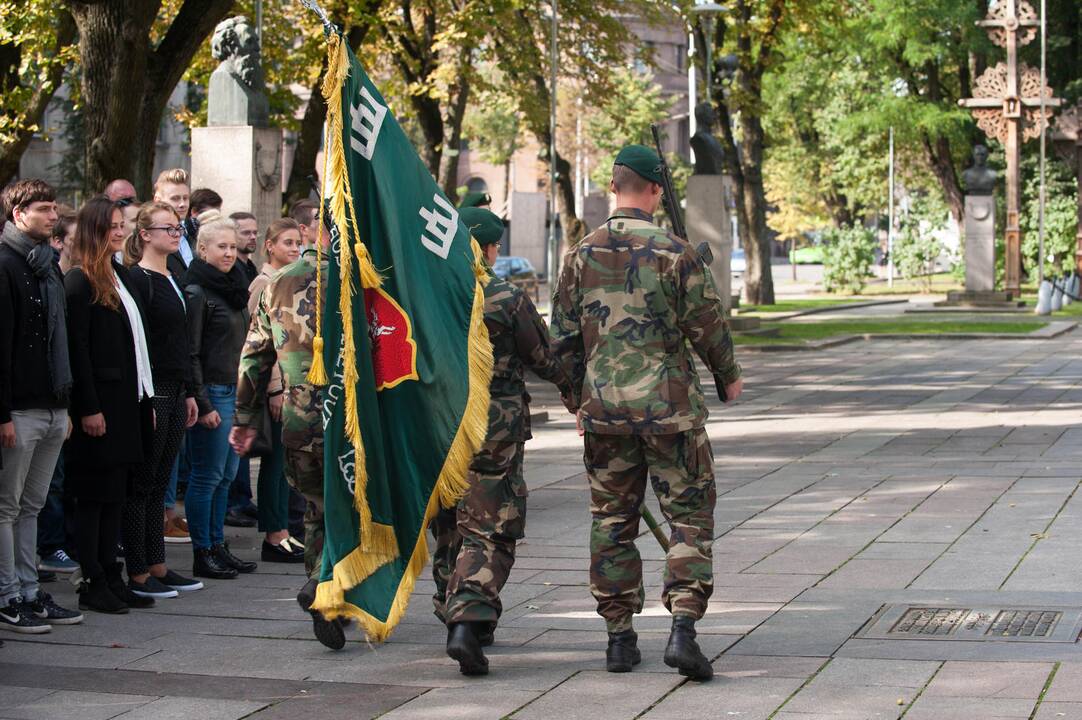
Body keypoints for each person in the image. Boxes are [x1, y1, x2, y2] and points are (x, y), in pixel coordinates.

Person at [551, 145, 744, 681]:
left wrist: (577, 400)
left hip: (605, 413)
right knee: (688, 517)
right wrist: (728, 377)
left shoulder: (579, 254)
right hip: (670, 412)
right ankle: (683, 628)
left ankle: (619, 639)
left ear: (615, 186)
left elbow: (561, 341)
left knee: (612, 521)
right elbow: (706, 322)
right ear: (656, 189)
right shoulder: (676, 252)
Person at [433, 207, 577, 676]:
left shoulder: (424, 290)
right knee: (492, 524)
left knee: (450, 518)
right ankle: (468, 617)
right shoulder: (504, 295)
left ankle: (448, 601)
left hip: (438, 424)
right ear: (491, 248)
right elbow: (544, 356)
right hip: (493, 427)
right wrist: (576, 392)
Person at [229, 245, 337, 647]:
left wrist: (244, 418)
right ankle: (325, 585)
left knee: (316, 508)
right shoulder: (363, 277)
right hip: (353, 420)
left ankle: (322, 587)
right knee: (356, 508)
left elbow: (254, 356)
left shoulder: (277, 282)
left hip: (299, 417)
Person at [66, 196, 156, 614]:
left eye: (123, 225)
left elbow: (136, 343)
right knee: (95, 496)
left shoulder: (119, 274)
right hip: (100, 405)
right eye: (113, 226)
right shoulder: (79, 280)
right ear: (94, 230)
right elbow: (78, 350)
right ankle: (92, 579)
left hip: (128, 400)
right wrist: (88, 407)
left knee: (117, 493)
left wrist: (146, 396)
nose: (120, 232)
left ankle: (111, 572)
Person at [0, 179, 83, 633]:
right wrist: (3, 414)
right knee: (7, 507)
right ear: (19, 214)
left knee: (31, 505)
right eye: (45, 209)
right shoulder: (6, 264)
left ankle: (31, 590)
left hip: (52, 403)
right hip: (19, 409)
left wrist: (64, 406)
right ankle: (8, 595)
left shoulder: (45, 266)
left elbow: (60, 341)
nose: (54, 216)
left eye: (54, 209)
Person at [121, 202, 205, 598]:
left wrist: (188, 392)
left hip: (175, 387)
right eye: (168, 229)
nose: (176, 234)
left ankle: (157, 563)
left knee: (160, 483)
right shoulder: (138, 279)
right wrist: (151, 396)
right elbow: (140, 343)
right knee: (144, 481)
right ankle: (137, 571)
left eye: (178, 229)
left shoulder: (172, 275)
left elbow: (182, 342)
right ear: (145, 235)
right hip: (152, 390)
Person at [184, 210, 255, 579]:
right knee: (207, 475)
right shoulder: (197, 291)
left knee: (227, 475)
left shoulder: (235, 287)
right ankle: (202, 550)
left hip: (236, 390)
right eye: (220, 247)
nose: (229, 253)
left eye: (232, 246)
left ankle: (217, 543)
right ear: (202, 249)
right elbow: (190, 352)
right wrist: (205, 402)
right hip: (213, 390)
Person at [243, 218, 303, 564]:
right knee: (275, 462)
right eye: (287, 243)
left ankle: (284, 529)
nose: (294, 249)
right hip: (274, 386)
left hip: (293, 385)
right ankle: (274, 532)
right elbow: (259, 340)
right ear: (271, 246)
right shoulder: (263, 283)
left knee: (286, 462)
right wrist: (274, 388)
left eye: (297, 243)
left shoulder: (288, 281)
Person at [36, 208, 79, 576]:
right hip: (36, 400)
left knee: (56, 480)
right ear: (59, 242)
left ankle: (53, 544)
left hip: (62, 399)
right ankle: (47, 546)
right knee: (47, 484)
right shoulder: (54, 277)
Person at [153, 169, 193, 278]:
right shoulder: (151, 239)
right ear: (157, 200)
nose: (182, 204)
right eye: (175, 199)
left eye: (186, 198)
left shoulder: (194, 233)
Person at [230, 211, 259, 286]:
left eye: (255, 233)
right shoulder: (229, 269)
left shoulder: (251, 268)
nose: (253, 237)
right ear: (231, 234)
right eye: (246, 233)